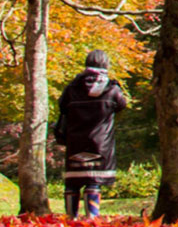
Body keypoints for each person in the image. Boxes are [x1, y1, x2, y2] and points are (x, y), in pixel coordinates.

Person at [53, 50, 128, 218]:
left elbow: (62, 107)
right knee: (94, 181)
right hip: (101, 142)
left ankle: (71, 217)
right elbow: (121, 105)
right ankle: (92, 218)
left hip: (75, 141)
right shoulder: (112, 89)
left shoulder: (72, 88)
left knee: (72, 182)